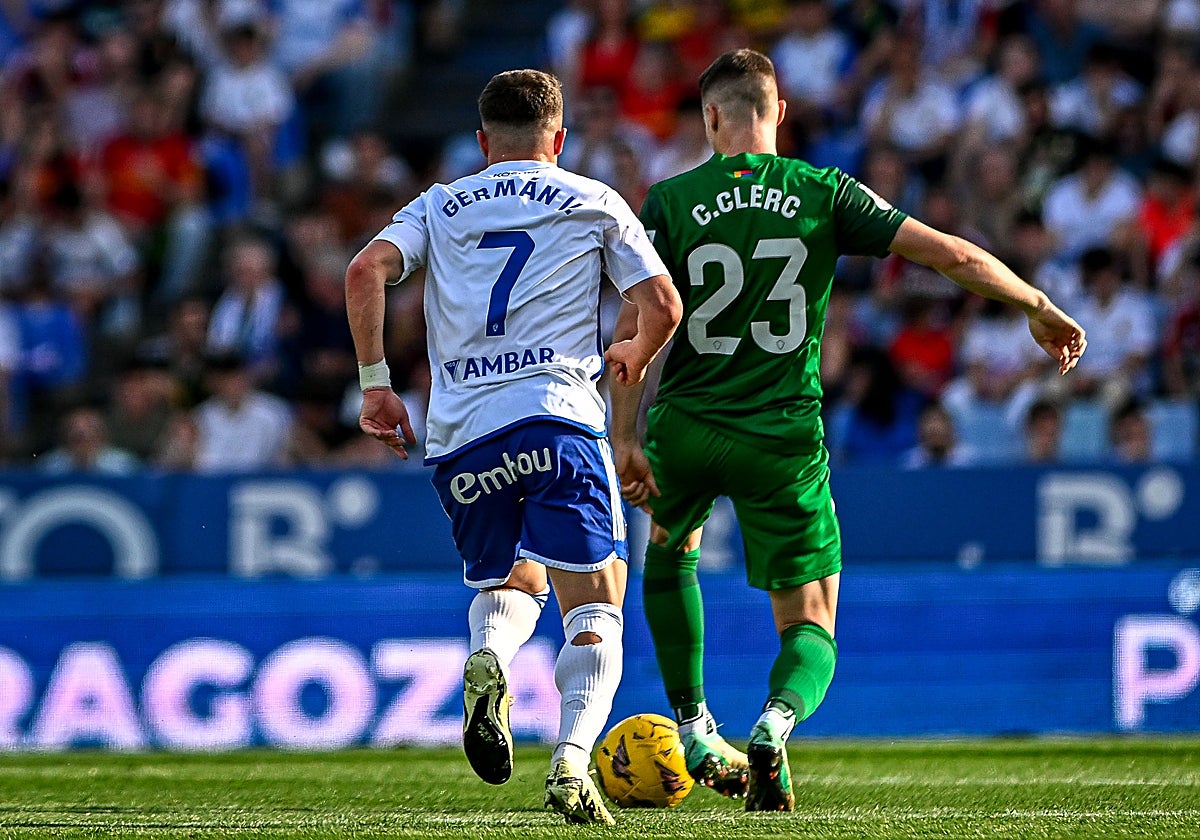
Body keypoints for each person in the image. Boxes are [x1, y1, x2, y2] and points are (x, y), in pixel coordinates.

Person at [609, 48, 1086, 812]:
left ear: (709, 119)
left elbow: (639, 329)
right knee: (811, 617)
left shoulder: (668, 200)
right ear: (780, 114)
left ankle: (695, 725)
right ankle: (774, 721)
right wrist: (1032, 300)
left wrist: (624, 437)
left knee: (670, 555)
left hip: (688, 423)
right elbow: (950, 253)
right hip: (782, 437)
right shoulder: (822, 191)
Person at [344, 69, 681, 825]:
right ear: (559, 139)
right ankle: (568, 765)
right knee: (598, 602)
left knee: (513, 576)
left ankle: (490, 654)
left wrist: (375, 385)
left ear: (481, 142)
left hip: (461, 437)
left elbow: (365, 269)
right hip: (558, 419)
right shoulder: (592, 197)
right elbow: (660, 304)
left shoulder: (439, 203)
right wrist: (636, 349)